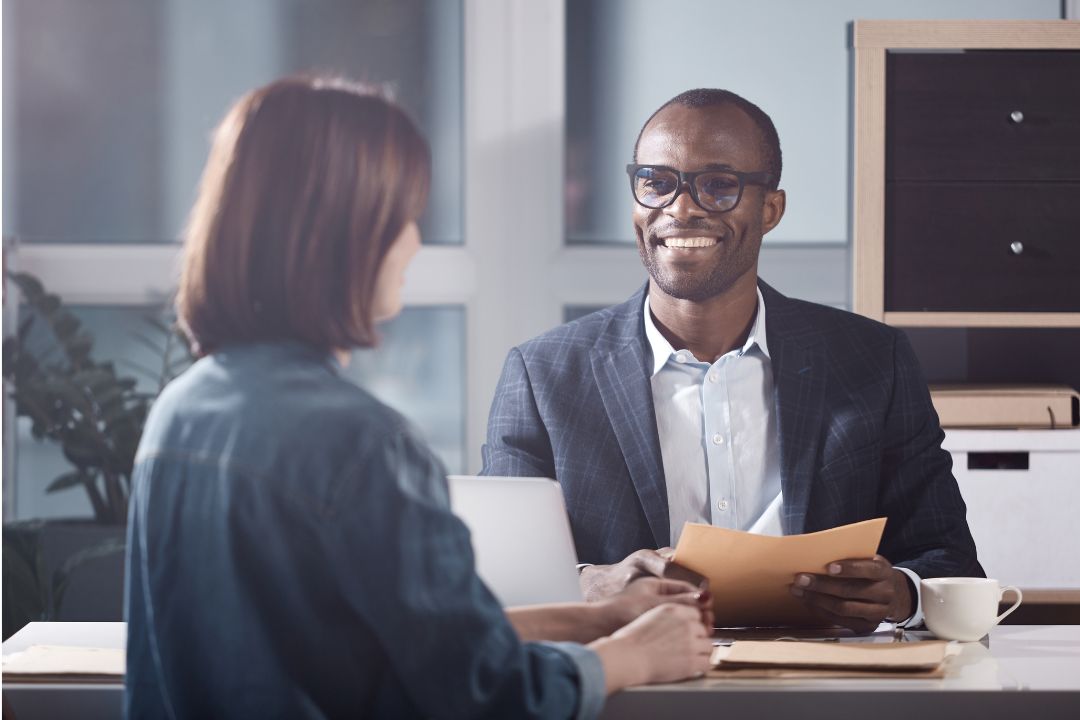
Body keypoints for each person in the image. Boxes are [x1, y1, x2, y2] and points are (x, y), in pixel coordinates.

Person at [123, 77, 714, 719]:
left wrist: (597, 619)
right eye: (403, 218)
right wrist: (634, 657)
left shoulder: (180, 412)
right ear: (345, 237)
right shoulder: (357, 443)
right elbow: (481, 694)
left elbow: (367, 643)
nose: (413, 245)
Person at [482, 88, 983, 634]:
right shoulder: (543, 376)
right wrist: (587, 584)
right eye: (656, 182)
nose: (680, 208)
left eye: (718, 185)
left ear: (770, 210)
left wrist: (898, 594)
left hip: (823, 687)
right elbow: (500, 583)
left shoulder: (873, 361)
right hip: (636, 692)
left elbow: (949, 561)